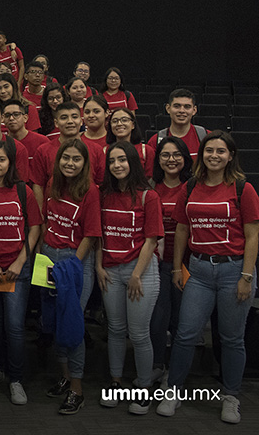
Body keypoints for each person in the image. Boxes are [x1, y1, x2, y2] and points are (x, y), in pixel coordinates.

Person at [158, 132, 258, 424]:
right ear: (201, 155)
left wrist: (247, 276)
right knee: (186, 334)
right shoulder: (190, 186)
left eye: (221, 151)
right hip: (199, 271)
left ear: (230, 156)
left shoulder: (243, 188)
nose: (214, 155)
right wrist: (177, 268)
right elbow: (181, 230)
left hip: (233, 270)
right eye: (209, 150)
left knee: (231, 339)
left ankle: (230, 396)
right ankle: (173, 391)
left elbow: (253, 235)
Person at [96, 142, 162, 415]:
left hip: (140, 272)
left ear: (132, 162)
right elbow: (99, 233)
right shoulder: (104, 195)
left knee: (138, 334)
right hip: (109, 271)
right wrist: (99, 266)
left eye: (122, 160)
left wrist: (136, 274)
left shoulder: (149, 196)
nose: (117, 165)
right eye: (112, 161)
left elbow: (151, 240)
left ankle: (144, 388)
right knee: (114, 330)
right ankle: (116, 382)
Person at [0, 139, 41, 404]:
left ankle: (15, 379)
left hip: (17, 271)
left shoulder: (23, 191)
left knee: (14, 326)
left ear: (10, 163)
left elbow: (35, 228)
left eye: (1, 160)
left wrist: (19, 263)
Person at [40, 138, 102, 415]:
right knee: (53, 320)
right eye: (66, 158)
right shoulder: (53, 184)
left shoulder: (90, 191)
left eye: (76, 159)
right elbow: (46, 220)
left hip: (73, 261)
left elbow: (91, 234)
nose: (70, 163)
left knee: (72, 326)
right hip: (48, 257)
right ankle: (64, 377)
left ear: (85, 163)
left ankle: (77, 389)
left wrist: (72, 267)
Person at [148, 136, 192, 383]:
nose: (171, 160)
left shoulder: (194, 187)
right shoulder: (151, 188)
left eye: (176, 155)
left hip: (187, 264)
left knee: (180, 321)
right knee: (157, 321)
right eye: (165, 155)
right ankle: (157, 365)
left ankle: (174, 373)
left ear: (185, 159)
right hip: (158, 265)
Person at [30, 102, 105, 211]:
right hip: (55, 214)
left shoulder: (96, 150)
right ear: (56, 123)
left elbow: (101, 185)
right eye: (64, 117)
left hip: (87, 213)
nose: (70, 121)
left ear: (81, 121)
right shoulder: (43, 150)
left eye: (74, 117)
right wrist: (42, 216)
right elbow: (38, 186)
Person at [147, 88, 207, 161]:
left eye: (187, 107)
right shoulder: (155, 142)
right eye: (177, 106)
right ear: (168, 108)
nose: (182, 110)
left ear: (194, 110)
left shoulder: (206, 137)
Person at [106, 108, 153, 177]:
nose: (119, 124)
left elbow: (150, 178)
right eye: (114, 121)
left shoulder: (146, 150)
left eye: (124, 120)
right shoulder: (105, 150)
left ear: (133, 125)